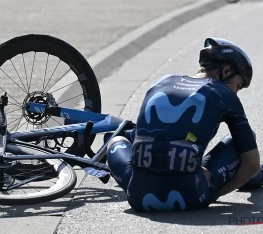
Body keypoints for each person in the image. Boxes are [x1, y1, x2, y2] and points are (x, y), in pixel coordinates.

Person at [105, 37, 263, 211]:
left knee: (115, 141)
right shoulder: (224, 95)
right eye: (238, 86)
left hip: (138, 198)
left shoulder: (160, 82)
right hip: (192, 196)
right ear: (226, 71)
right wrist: (214, 192)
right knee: (245, 145)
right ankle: (255, 179)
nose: (236, 93)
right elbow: (252, 162)